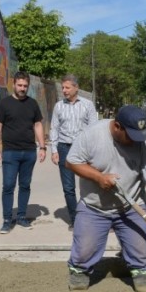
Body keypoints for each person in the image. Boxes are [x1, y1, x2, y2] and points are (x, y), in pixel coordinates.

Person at [65, 105, 146, 292]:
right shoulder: (92, 135)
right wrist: (98, 177)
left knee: (143, 264)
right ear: (117, 126)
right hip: (94, 207)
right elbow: (72, 161)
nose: (135, 141)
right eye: (130, 135)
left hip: (130, 207)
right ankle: (80, 272)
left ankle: (140, 271)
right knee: (82, 259)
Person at [0, 71, 47, 234]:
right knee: (8, 186)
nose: (22, 88)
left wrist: (42, 147)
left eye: (25, 86)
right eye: (20, 85)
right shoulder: (5, 104)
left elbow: (37, 125)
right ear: (13, 84)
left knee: (25, 185)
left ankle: (21, 217)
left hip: (29, 152)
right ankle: (7, 220)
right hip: (10, 152)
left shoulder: (33, 104)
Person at [49, 74, 98, 230]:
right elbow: (54, 128)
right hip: (64, 148)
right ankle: (75, 219)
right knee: (68, 187)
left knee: (91, 183)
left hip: (84, 149)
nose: (64, 90)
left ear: (76, 87)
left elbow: (94, 128)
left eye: (67, 87)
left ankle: (94, 216)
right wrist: (54, 150)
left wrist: (94, 150)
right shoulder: (58, 106)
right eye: (63, 87)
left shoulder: (87, 105)